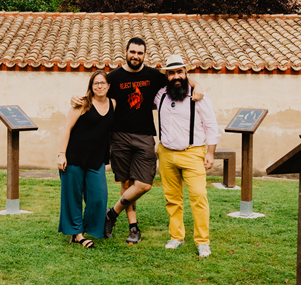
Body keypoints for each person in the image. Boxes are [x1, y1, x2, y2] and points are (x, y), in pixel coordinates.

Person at [75, 37, 203, 244]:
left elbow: (177, 76)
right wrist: (78, 99)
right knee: (126, 183)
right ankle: (133, 228)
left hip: (145, 136)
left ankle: (111, 214)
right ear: (126, 51)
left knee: (144, 184)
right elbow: (96, 93)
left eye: (140, 53)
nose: (136, 56)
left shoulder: (153, 75)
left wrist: (197, 85)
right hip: (119, 136)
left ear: (144, 55)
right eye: (132, 52)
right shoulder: (113, 77)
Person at [154, 54, 220, 258]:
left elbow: (211, 126)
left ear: (186, 73)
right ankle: (176, 236)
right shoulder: (160, 95)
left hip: (192, 153)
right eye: (171, 73)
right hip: (166, 153)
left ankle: (202, 242)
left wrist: (210, 153)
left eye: (179, 72)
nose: (176, 76)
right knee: (172, 199)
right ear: (166, 76)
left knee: (198, 197)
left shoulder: (199, 96)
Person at [57, 70, 115, 248]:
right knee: (73, 197)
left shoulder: (113, 103)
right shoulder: (82, 104)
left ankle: (88, 227)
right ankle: (78, 234)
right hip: (74, 157)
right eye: (96, 83)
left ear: (108, 86)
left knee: (99, 196)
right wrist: (62, 154)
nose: (99, 86)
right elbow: (67, 129)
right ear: (91, 86)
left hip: (96, 159)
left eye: (102, 83)